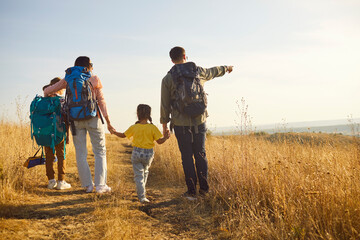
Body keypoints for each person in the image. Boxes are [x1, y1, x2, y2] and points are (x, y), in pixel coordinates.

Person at [160, 46, 233, 199]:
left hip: (180, 124)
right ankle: (205, 190)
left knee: (186, 156)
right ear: (185, 56)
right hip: (200, 121)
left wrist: (164, 125)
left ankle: (192, 192)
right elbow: (214, 71)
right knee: (200, 153)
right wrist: (226, 68)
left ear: (172, 60)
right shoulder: (198, 71)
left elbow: (165, 104)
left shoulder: (168, 79)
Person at [44, 56, 115, 194]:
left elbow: (48, 91)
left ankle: (87, 185)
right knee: (100, 151)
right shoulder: (94, 79)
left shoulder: (69, 78)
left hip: (75, 120)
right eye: (91, 65)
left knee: (81, 153)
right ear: (88, 66)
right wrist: (108, 122)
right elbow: (101, 101)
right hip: (93, 118)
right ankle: (100, 186)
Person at [114, 104, 170, 203]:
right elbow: (159, 141)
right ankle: (142, 192)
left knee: (138, 175)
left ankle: (141, 196)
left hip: (136, 153)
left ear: (137, 114)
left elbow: (123, 135)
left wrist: (114, 132)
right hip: (148, 154)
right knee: (145, 172)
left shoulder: (134, 127)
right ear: (149, 114)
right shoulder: (152, 128)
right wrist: (166, 137)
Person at [42, 77, 71, 190]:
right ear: (58, 87)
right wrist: (68, 135)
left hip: (45, 131)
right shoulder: (62, 100)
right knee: (61, 155)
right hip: (59, 131)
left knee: (48, 156)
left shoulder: (44, 99)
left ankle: (50, 181)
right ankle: (61, 181)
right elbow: (66, 119)